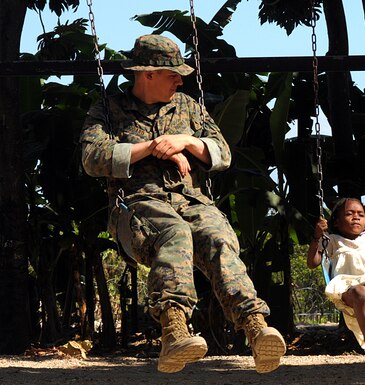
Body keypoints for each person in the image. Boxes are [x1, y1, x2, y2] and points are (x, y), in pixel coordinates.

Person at [80, 34, 286, 374]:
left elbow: (222, 154)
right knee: (174, 233)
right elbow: (92, 158)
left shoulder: (189, 107)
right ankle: (174, 333)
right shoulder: (108, 109)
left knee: (218, 238)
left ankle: (257, 329)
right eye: (172, 73)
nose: (180, 79)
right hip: (139, 204)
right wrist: (152, 147)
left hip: (192, 201)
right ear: (147, 74)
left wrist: (186, 141)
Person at [307, 198, 365, 362]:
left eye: (360, 214)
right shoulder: (332, 240)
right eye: (349, 214)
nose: (356, 217)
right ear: (336, 222)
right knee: (360, 291)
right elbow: (313, 263)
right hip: (346, 289)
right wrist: (316, 237)